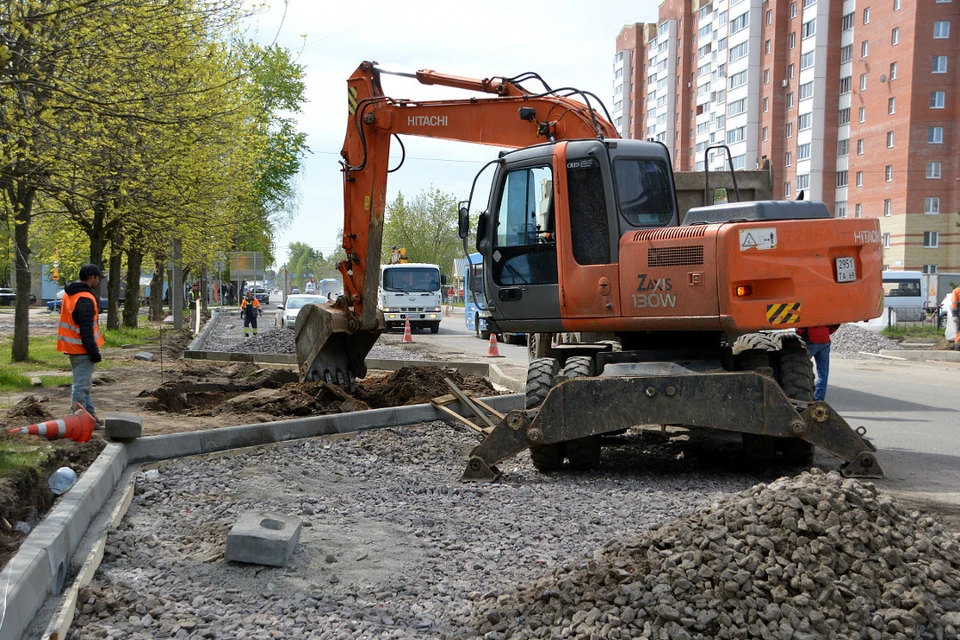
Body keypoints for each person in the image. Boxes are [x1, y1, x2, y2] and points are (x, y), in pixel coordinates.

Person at [56, 264, 105, 421]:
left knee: (84, 385)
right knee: (81, 387)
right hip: (82, 349)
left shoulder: (70, 295)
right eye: (98, 278)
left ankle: (90, 417)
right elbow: (86, 330)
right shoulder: (85, 299)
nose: (99, 282)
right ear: (92, 277)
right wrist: (93, 351)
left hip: (73, 348)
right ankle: (76, 420)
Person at [796, 324, 840, 401]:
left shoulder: (810, 313)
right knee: (823, 374)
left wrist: (796, 333)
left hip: (811, 341)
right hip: (825, 340)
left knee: (799, 369)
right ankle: (819, 399)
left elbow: (801, 327)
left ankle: (802, 397)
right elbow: (835, 325)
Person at [952, 285, 960, 351]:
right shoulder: (957, 291)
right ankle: (958, 345)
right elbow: (954, 304)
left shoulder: (957, 291)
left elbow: (954, 304)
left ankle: (958, 345)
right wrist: (954, 315)